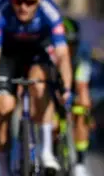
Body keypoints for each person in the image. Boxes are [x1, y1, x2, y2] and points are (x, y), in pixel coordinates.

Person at [0, 0, 72, 172]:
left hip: (37, 54)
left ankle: (46, 151)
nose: (23, 7)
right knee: (3, 107)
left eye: (29, 1)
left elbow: (63, 55)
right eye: (17, 0)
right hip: (9, 56)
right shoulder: (1, 12)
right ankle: (4, 168)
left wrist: (66, 86)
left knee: (39, 84)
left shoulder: (50, 12)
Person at [59, 17, 92, 176]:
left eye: (71, 44)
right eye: (64, 44)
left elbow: (82, 85)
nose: (67, 49)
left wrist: (83, 103)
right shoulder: (51, 51)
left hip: (75, 86)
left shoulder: (82, 53)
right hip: (55, 86)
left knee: (82, 112)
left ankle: (80, 161)